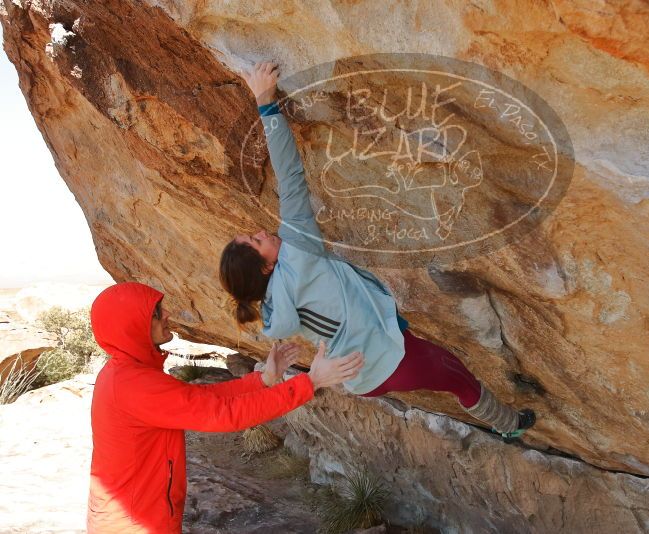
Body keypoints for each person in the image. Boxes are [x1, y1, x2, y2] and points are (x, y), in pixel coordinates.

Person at [219, 61, 535, 442]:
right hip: (387, 360)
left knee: (435, 361)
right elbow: (289, 178)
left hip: (361, 374)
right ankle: (510, 426)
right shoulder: (297, 255)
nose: (259, 231)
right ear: (267, 267)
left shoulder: (273, 305)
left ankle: (498, 417)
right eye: (255, 241)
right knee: (458, 376)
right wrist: (265, 103)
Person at [87, 281, 364, 533]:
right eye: (157, 313)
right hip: (133, 523)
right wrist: (310, 382)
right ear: (132, 325)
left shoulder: (127, 374)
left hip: (138, 516)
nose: (167, 314)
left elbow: (201, 398)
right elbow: (222, 414)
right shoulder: (133, 385)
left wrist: (263, 380)